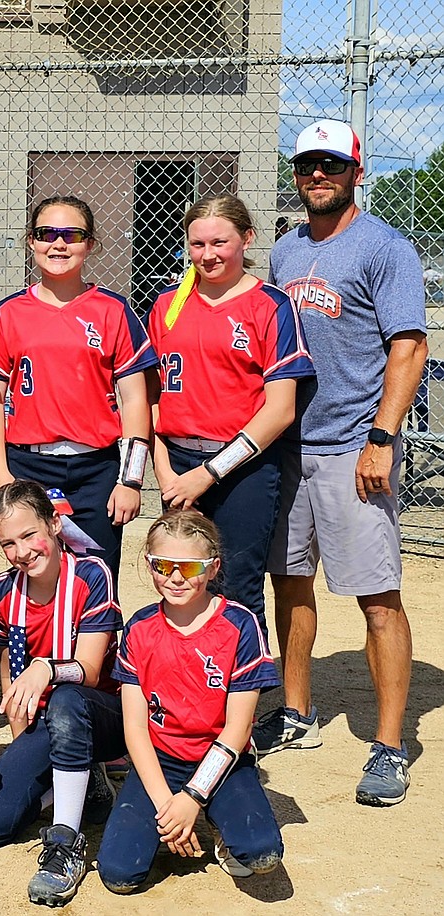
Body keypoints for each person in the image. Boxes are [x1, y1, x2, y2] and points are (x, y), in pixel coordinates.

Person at [258, 119, 429, 807]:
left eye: (331, 164)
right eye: (306, 165)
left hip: (355, 448)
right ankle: (297, 714)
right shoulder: (285, 251)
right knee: (288, 581)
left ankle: (391, 743)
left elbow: (409, 349)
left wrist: (381, 439)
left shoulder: (385, 247)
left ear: (357, 170)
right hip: (289, 447)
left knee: (377, 597)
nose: (317, 175)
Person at [147, 194, 313, 628]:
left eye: (220, 242)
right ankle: (189, 687)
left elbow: (279, 411)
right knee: (179, 579)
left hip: (243, 467)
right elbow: (150, 399)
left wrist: (208, 473)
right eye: (197, 244)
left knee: (237, 585)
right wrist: (166, 476)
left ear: (247, 239)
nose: (208, 255)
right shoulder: (168, 304)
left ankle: (239, 691)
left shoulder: (270, 305)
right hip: (178, 463)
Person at [96, 508, 282, 893]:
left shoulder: (241, 625)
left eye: (191, 567)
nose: (176, 578)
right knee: (119, 875)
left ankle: (218, 816)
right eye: (163, 565)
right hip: (161, 760)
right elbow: (134, 727)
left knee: (261, 855)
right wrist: (169, 807)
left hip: (222, 758)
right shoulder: (140, 627)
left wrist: (193, 798)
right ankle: (173, 813)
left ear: (213, 568)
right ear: (149, 565)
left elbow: (238, 729)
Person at [0, 480, 125, 908]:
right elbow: (9, 678)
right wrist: (23, 751)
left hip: (102, 715)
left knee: (67, 698)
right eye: (8, 542)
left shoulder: (91, 574)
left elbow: (89, 672)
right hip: (47, 720)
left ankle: (66, 843)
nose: (22, 551)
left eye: (30, 534)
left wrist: (45, 667)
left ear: (54, 524)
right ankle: (83, 780)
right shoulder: (2, 592)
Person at [0, 195, 157, 581]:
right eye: (47, 233)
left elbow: (135, 400)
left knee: (97, 576)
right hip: (28, 464)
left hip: (97, 467)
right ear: (31, 241)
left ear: (90, 244)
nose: (58, 244)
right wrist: (0, 474)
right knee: (34, 571)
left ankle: (97, 642)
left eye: (72, 235)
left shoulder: (113, 309)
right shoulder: (10, 312)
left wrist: (130, 480)